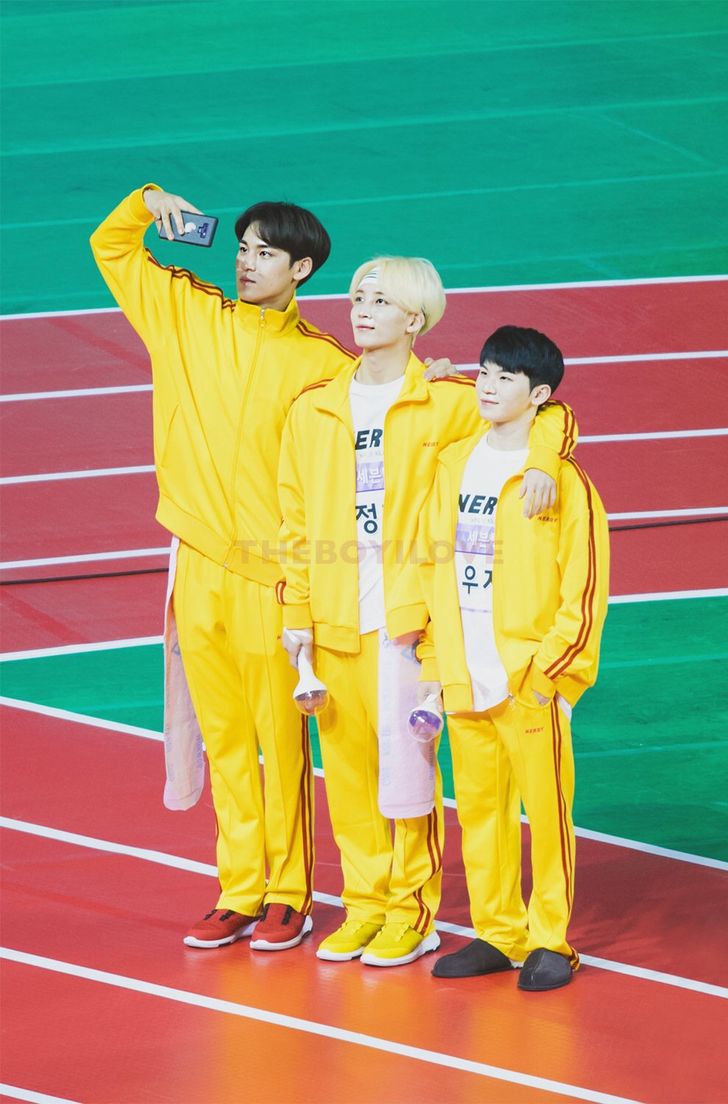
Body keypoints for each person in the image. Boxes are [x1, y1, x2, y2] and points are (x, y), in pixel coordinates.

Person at [277, 262, 578, 967]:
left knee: (406, 771)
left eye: (381, 299)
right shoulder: (314, 406)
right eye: (356, 296)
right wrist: (297, 604)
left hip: (410, 618)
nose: (361, 308)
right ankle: (364, 904)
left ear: (415, 320)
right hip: (332, 612)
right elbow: (292, 517)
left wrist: (542, 460)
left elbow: (549, 407)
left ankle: (412, 911)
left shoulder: (448, 398)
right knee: (345, 772)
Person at [90, 184, 357, 951]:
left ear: (301, 268)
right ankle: (239, 887)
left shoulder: (323, 363)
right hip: (196, 564)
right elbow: (112, 248)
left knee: (281, 738)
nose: (246, 262)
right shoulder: (185, 313)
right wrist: (147, 202)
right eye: (241, 248)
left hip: (272, 577)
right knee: (227, 738)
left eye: (266, 253)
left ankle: (290, 892)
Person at [411, 325, 609, 990]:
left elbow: (582, 589)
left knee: (547, 813)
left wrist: (547, 674)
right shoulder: (454, 463)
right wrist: (437, 662)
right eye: (485, 372)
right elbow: (434, 564)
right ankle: (497, 931)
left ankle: (550, 938)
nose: (488, 386)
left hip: (528, 679)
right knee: (482, 812)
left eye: (505, 378)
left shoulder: (562, 483)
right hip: (465, 674)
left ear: (541, 396)